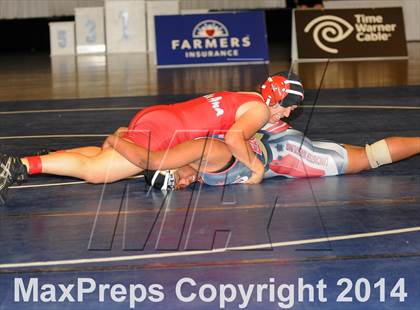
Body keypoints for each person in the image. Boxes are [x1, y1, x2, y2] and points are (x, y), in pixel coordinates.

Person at [0, 72, 304, 204]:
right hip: (166, 131)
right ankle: (19, 166)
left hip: (162, 116)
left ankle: (53, 156)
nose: (288, 115)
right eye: (289, 108)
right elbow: (235, 138)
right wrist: (256, 167)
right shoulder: (261, 111)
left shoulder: (248, 96)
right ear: (277, 100)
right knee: (96, 173)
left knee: (105, 158)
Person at [129, 121, 420, 190]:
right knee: (359, 153)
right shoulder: (193, 161)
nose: (183, 184)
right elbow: (142, 163)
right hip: (274, 143)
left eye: (176, 179)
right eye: (175, 189)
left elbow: (149, 161)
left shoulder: (208, 154)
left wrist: (256, 171)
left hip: (287, 155)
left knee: (369, 159)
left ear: (174, 164)